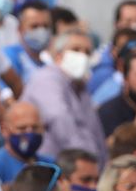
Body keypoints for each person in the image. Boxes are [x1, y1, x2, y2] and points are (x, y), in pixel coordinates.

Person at [23, 29, 106, 161]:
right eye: (76, 50)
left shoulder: (79, 86)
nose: (82, 56)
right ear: (58, 55)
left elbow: (94, 129)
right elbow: (59, 120)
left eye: (87, 52)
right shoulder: (47, 79)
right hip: (58, 163)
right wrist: (85, 159)